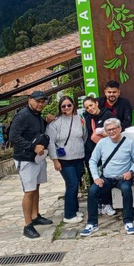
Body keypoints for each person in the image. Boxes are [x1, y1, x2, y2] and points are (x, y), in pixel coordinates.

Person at [81, 118, 134, 236]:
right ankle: (92, 223)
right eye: (108, 130)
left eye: (114, 129)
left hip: (123, 177)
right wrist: (96, 177)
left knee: (127, 190)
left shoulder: (129, 142)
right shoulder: (102, 143)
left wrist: (131, 171)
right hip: (106, 178)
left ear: (120, 128)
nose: (111, 132)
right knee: (92, 191)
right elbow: (92, 160)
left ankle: (128, 221)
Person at [9, 90, 52, 239]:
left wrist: (47, 121)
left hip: (37, 158)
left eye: (43, 102)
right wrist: (32, 147)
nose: (40, 104)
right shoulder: (23, 116)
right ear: (29, 100)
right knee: (29, 190)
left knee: (36, 186)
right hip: (25, 158)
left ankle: (35, 215)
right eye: (38, 101)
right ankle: (27, 225)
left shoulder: (37, 116)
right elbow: (13, 136)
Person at [46, 96, 86, 224]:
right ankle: (68, 215)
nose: (67, 108)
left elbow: (83, 136)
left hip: (79, 157)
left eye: (69, 105)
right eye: (63, 106)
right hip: (64, 159)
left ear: (73, 105)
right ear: (60, 108)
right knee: (72, 184)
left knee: (76, 185)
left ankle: (75, 210)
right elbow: (51, 143)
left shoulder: (79, 119)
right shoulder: (55, 123)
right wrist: (55, 160)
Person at [84, 96, 116, 189]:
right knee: (94, 178)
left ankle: (108, 202)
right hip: (92, 152)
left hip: (107, 152)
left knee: (106, 178)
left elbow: (118, 130)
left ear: (96, 103)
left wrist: (106, 133)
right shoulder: (87, 118)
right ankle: (98, 202)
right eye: (87, 107)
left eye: (91, 105)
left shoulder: (108, 114)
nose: (90, 108)